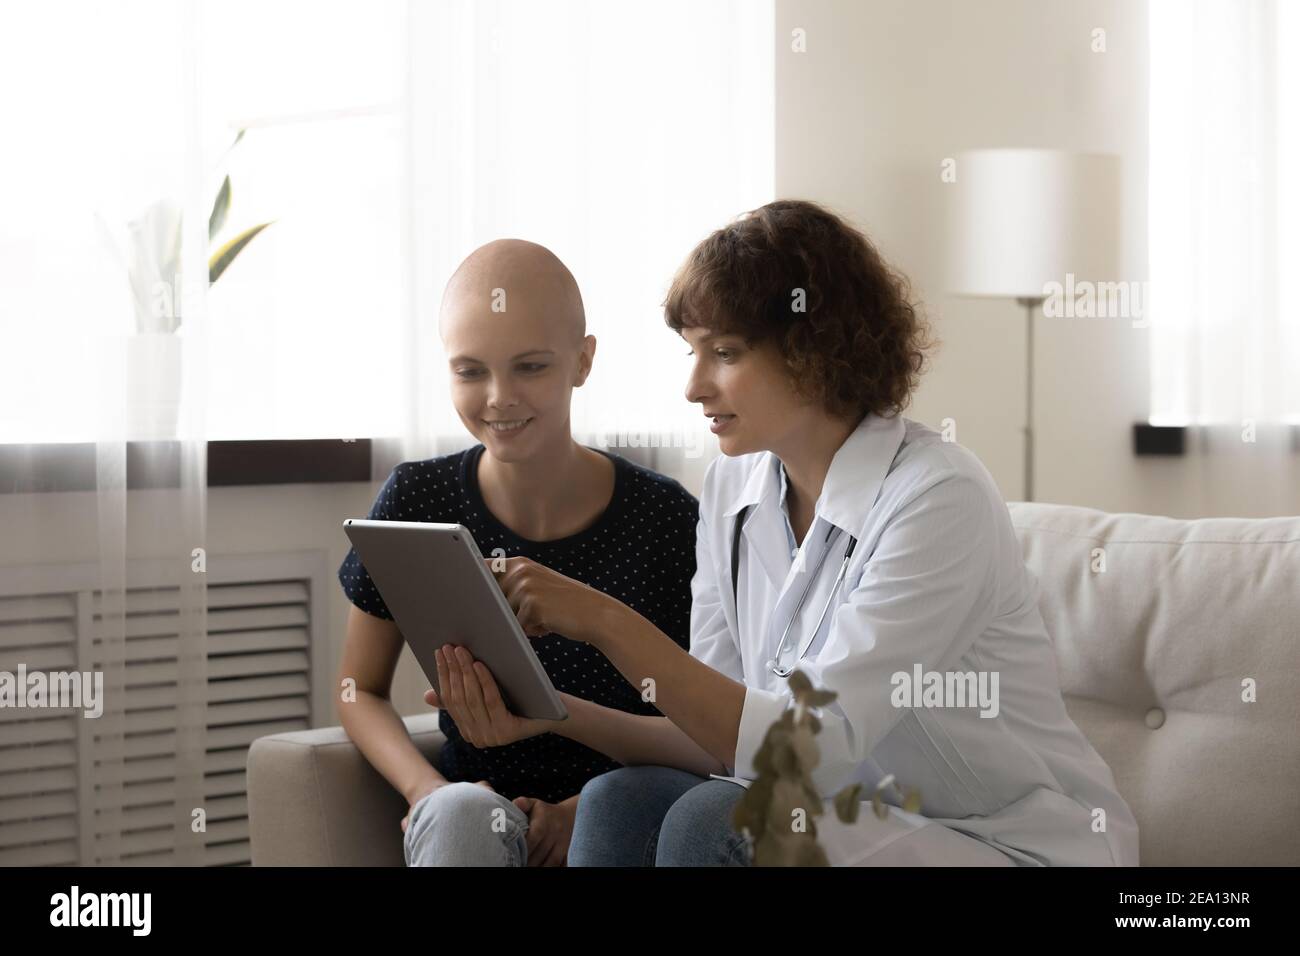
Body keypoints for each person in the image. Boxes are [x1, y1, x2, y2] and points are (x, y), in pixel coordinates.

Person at [427, 199, 1141, 867]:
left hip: (998, 842)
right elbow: (712, 740)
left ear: (815, 349)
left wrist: (604, 620)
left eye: (726, 353)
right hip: (854, 823)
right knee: (623, 797)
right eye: (691, 352)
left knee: (718, 819)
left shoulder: (937, 499)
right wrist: (545, 716)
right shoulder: (734, 488)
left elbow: (809, 748)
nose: (694, 385)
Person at [335, 238, 699, 866]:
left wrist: (579, 812)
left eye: (530, 367)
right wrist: (426, 790)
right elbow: (355, 688)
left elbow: (707, 734)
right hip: (472, 807)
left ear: (582, 362)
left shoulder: (665, 519)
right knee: (460, 816)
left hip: (622, 810)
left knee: (612, 810)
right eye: (470, 370)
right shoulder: (418, 498)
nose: (499, 397)